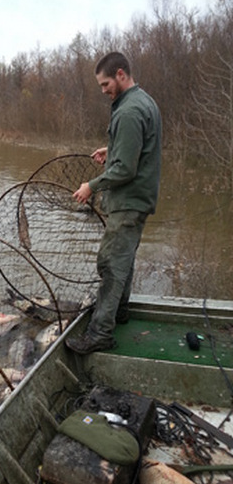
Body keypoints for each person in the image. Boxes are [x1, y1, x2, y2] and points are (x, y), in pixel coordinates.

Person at [65, 51, 162, 355]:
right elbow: (138, 147)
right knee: (124, 259)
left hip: (128, 201)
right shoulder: (143, 101)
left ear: (121, 74)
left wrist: (90, 186)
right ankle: (120, 312)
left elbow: (126, 169)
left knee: (110, 263)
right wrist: (113, 148)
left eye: (105, 84)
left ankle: (100, 334)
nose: (104, 90)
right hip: (139, 200)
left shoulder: (130, 110)